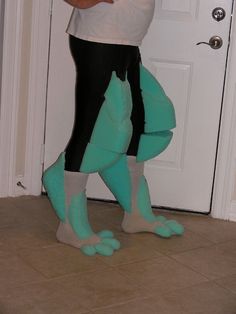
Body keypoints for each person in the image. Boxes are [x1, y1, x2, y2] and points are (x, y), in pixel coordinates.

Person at [43, 0, 184, 257]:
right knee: (93, 132)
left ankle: (137, 214)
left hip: (128, 40)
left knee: (135, 130)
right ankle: (71, 227)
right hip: (99, 39)